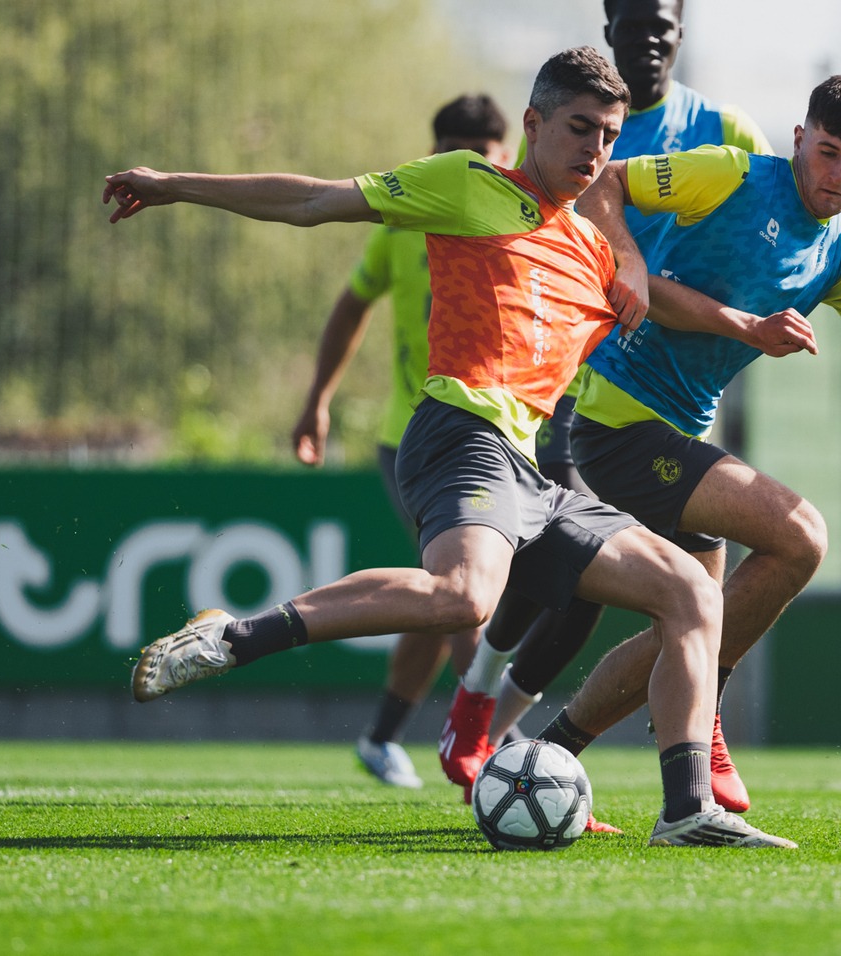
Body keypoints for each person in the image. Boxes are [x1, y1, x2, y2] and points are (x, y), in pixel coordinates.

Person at [105, 46, 796, 848]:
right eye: (579, 129)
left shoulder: (596, 251)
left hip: (532, 469)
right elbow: (314, 201)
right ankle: (233, 637)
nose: (595, 151)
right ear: (532, 124)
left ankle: (684, 812)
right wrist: (173, 185)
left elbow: (665, 301)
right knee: (466, 597)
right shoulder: (470, 186)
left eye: (608, 136)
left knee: (689, 591)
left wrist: (739, 321)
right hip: (459, 432)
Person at [527, 75, 841, 794]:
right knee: (799, 533)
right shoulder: (730, 173)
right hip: (619, 420)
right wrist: (632, 261)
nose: (836, 177)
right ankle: (699, 720)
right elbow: (604, 186)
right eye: (827, 152)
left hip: (675, 431)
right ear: (800, 139)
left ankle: (544, 754)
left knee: (690, 625)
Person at [438, 0, 775, 816]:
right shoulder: (574, 122)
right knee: (571, 569)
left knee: (659, 583)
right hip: (575, 378)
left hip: (677, 387)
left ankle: (656, 727)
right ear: (610, 28)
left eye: (664, 27)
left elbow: (783, 215)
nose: (649, 40)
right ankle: (483, 707)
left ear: (681, 35)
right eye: (635, 26)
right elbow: (546, 224)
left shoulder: (723, 127)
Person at [289, 94, 513, 789]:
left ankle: (383, 735)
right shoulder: (402, 222)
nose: (471, 163)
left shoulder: (525, 224)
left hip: (499, 438)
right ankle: (499, 745)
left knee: (442, 592)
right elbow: (352, 304)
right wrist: (317, 400)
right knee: (466, 591)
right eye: (455, 151)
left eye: (484, 151)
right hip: (414, 436)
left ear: (506, 153)